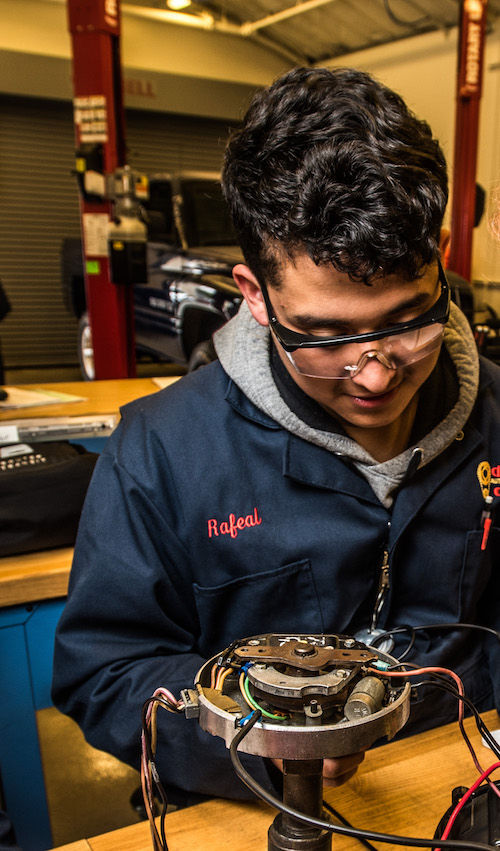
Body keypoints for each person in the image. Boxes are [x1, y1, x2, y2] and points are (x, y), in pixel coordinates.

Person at [51, 67, 500, 807]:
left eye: (406, 319)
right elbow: (102, 670)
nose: (376, 375)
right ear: (255, 294)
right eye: (324, 335)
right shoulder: (164, 451)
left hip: (457, 785)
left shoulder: (496, 416)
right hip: (250, 804)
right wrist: (261, 747)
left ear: (443, 254)